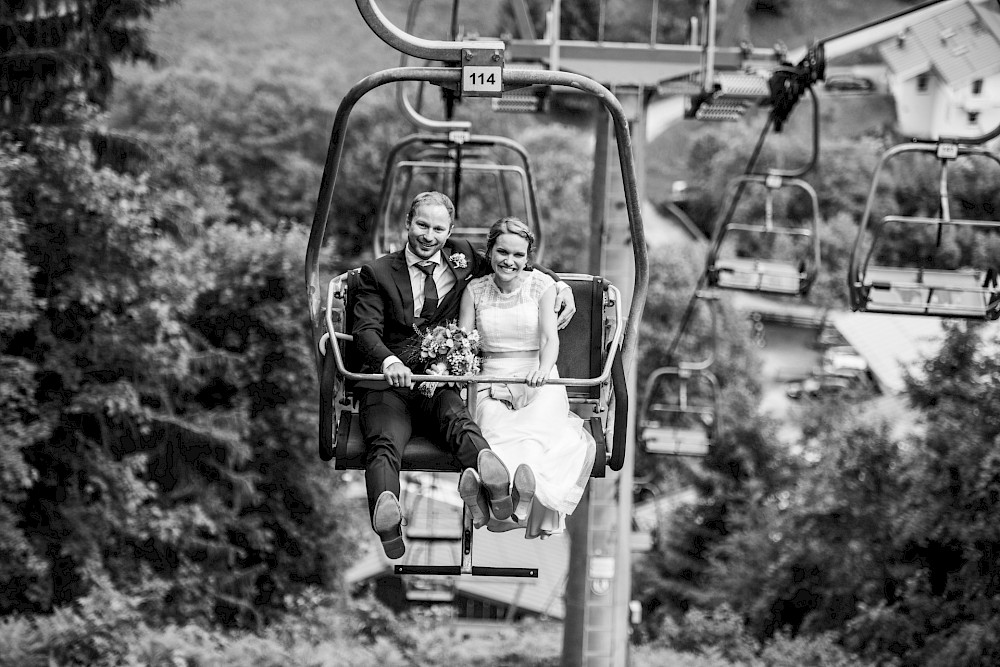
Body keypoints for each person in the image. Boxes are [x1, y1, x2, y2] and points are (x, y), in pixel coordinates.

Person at [352, 192, 576, 559]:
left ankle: (496, 483)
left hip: (437, 382)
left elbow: (516, 261)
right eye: (422, 225)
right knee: (383, 442)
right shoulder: (376, 273)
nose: (429, 236)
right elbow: (365, 332)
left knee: (458, 419)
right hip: (390, 386)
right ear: (407, 223)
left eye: (438, 228)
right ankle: (388, 517)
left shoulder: (464, 257)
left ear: (450, 231)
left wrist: (560, 285)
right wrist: (389, 362)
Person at [458, 217, 596, 539]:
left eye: (519, 255)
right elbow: (465, 340)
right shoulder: (475, 290)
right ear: (489, 251)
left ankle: (510, 500)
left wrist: (542, 371)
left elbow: (550, 339)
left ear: (528, 257)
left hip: (536, 373)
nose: (510, 261)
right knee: (492, 428)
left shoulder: (541, 286)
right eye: (502, 252)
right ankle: (508, 502)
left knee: (533, 433)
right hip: (492, 376)